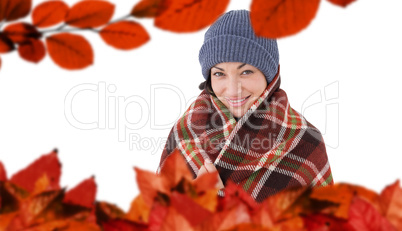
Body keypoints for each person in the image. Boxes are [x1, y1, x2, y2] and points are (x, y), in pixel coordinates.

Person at [157, 9, 333, 202]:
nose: (233, 90)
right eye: (219, 73)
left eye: (246, 72)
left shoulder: (305, 142)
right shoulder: (185, 132)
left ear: (269, 75)